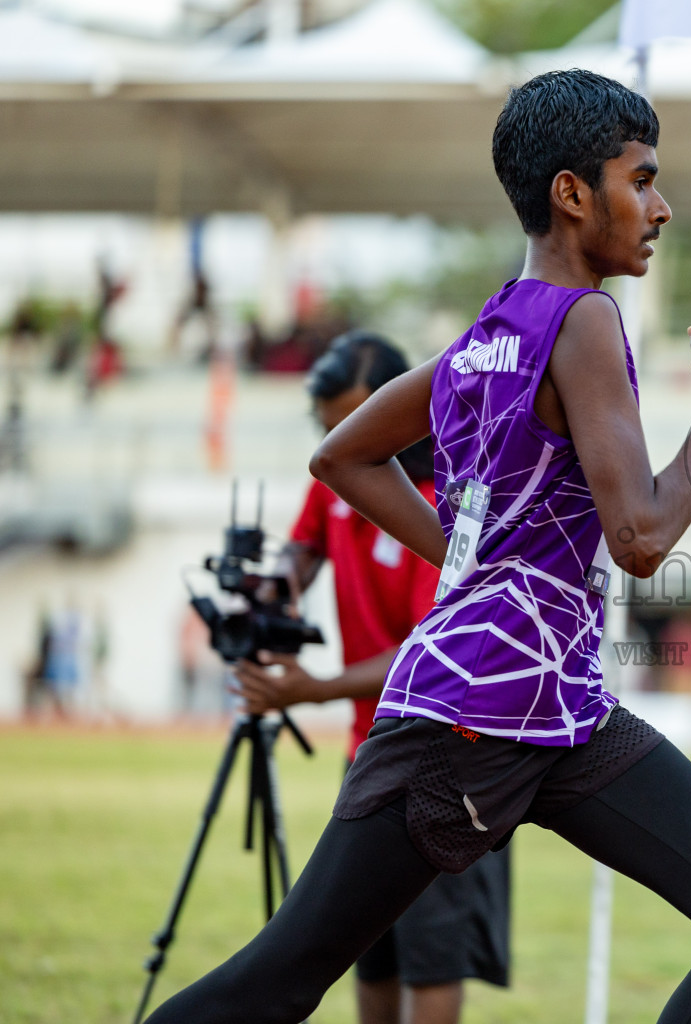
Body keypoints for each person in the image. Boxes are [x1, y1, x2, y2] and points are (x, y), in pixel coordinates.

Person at [144, 69, 691, 1024]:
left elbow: (344, 456)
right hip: (468, 714)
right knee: (277, 979)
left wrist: (471, 562)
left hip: (556, 711)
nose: (661, 207)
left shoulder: (488, 334)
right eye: (642, 180)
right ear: (573, 194)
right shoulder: (584, 321)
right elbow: (640, 537)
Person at [230, 330, 511, 1024]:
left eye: (361, 422)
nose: (347, 438)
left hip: (448, 754)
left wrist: (310, 690)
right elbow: (304, 546)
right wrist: (282, 584)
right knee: (370, 948)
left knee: (432, 951)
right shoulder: (338, 479)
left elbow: (432, 650)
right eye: (333, 429)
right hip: (371, 751)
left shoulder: (440, 507)